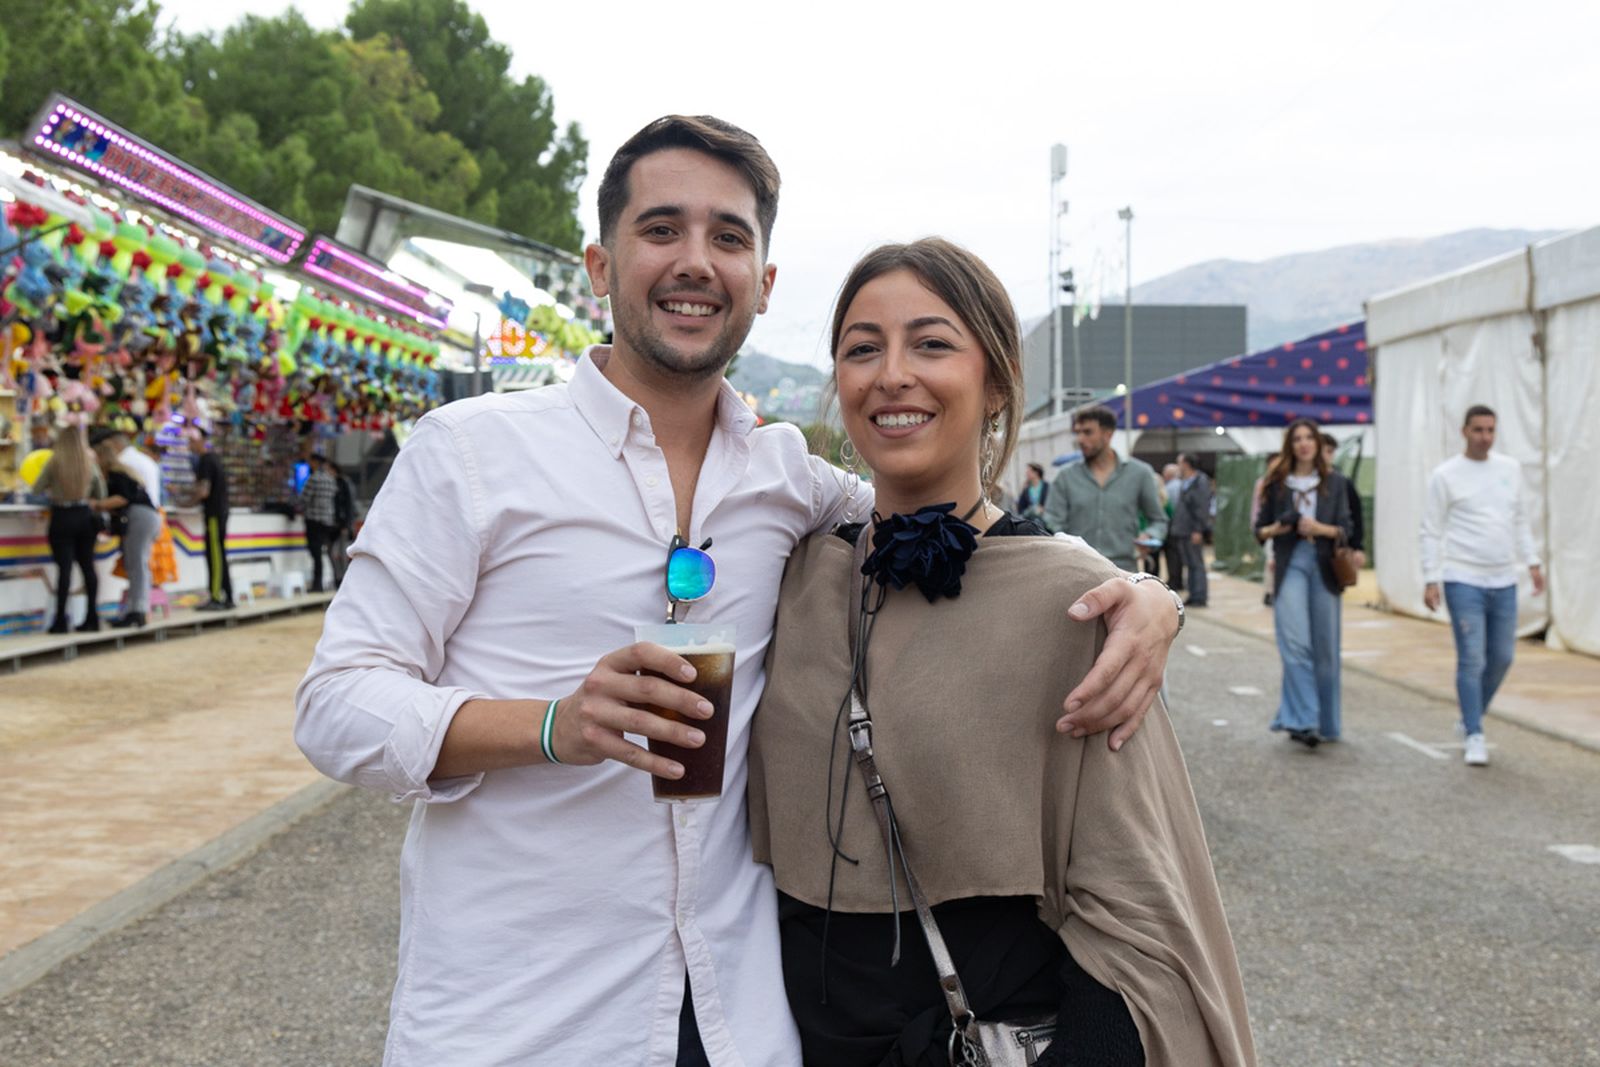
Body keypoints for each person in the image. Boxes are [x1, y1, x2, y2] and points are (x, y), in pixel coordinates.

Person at [294, 116, 1184, 1067]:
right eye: (661, 229)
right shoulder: (471, 455)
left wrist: (1134, 589)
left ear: (762, 284)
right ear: (600, 264)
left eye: (728, 237)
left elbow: (958, 522)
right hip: (522, 1019)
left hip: (735, 1023)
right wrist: (555, 724)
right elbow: (335, 703)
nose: (695, 262)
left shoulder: (786, 479)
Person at [749, 239, 1253, 1067]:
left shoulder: (1077, 601)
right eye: (862, 348)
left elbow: (1136, 927)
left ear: (997, 382)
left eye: (932, 343)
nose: (892, 374)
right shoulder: (797, 573)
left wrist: (1157, 598)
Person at [1419, 405, 1542, 767]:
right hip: (1462, 577)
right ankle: (1475, 732)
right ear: (1464, 432)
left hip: (1503, 577)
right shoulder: (1446, 475)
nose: (1485, 437)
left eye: (1490, 430)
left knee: (1502, 657)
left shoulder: (1510, 469)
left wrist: (1532, 561)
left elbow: (1519, 518)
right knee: (1472, 657)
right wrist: (1431, 577)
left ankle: (1469, 715)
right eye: (1478, 430)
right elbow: (1431, 528)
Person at [1254, 419, 1356, 747]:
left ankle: (1326, 723)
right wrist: (1279, 528)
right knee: (1295, 643)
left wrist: (1320, 528)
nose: (1303, 444)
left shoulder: (1336, 482)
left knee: (1326, 649)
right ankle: (1303, 719)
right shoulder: (1277, 483)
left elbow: (1346, 528)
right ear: (1290, 445)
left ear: (1316, 442)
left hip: (1324, 566)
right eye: (1296, 439)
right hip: (1290, 565)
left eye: (1308, 438)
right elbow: (1259, 529)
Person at [1043, 405, 1168, 571]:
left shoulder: (1139, 473)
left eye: (1087, 432)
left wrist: (1149, 536)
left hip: (1123, 570)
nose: (1080, 439)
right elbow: (1052, 522)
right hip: (1076, 570)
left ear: (1108, 434)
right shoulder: (1065, 477)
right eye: (1077, 432)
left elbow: (1159, 520)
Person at [35, 424, 107, 633]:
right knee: (88, 567)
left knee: (64, 570)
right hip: (85, 516)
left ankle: (60, 620)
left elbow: (37, 488)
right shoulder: (88, 463)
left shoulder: (54, 462)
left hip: (61, 516)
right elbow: (101, 492)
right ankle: (92, 617)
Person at [90, 429, 161, 629]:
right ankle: (135, 609)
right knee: (136, 564)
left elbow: (123, 498)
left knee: (136, 564)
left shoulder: (118, 472)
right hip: (149, 516)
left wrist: (98, 504)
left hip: (139, 517)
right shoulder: (132, 467)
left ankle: (137, 611)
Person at [186, 426, 233, 610]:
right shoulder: (213, 459)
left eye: (190, 441)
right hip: (219, 513)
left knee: (214, 556)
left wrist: (185, 502)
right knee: (219, 554)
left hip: (214, 515)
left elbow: (203, 491)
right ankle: (227, 596)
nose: (189, 445)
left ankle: (216, 597)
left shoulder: (206, 461)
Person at [1171, 452, 1213, 607]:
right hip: (1183, 529)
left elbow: (1201, 508)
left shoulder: (1200, 482)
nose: (1178, 466)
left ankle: (1200, 595)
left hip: (1192, 530)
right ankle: (1193, 593)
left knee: (1196, 563)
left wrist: (1198, 530)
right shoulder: (1187, 481)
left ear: (1187, 464)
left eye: (1179, 463)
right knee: (1189, 564)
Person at [300, 453, 339, 594]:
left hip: (314, 520)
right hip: (327, 521)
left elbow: (303, 499)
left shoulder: (313, 479)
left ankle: (318, 584)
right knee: (326, 552)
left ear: (315, 462)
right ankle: (333, 580)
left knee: (315, 552)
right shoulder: (330, 480)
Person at [1161, 461, 1186, 592]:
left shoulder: (1169, 488)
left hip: (1171, 527)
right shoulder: (1183, 485)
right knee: (1178, 555)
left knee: (1172, 556)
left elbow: (1167, 509)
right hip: (1182, 527)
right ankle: (1178, 580)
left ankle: (1174, 581)